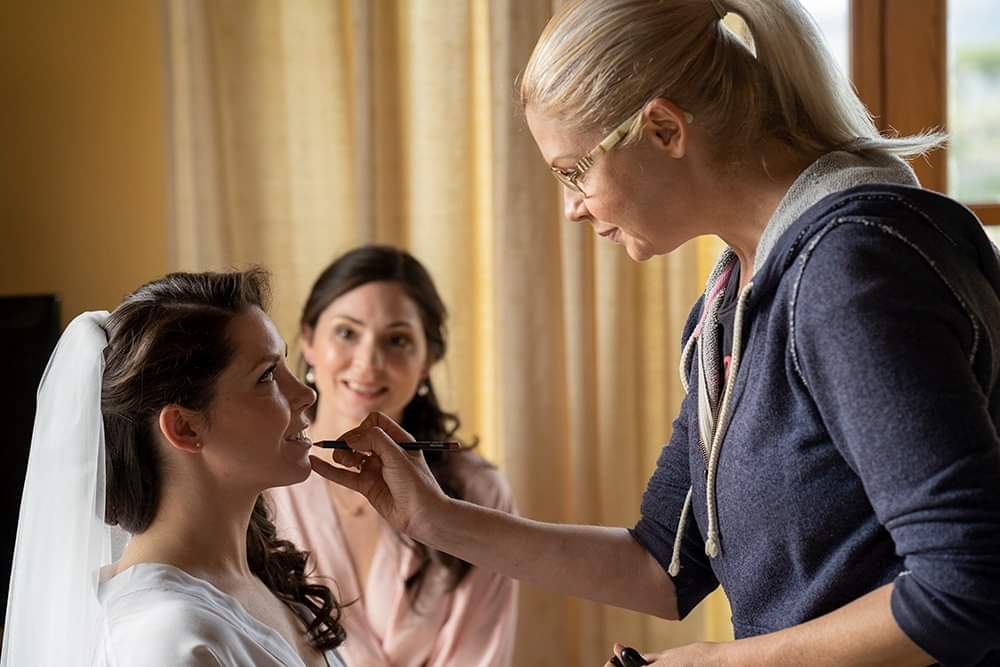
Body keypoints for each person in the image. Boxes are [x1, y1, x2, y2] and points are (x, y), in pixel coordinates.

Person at [307, 1, 1000, 666]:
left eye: (573, 171)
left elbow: (966, 585)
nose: (573, 208)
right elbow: (662, 563)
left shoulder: (847, 273)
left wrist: (720, 663)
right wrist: (437, 520)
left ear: (664, 129)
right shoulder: (728, 307)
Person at [1, 269, 348, 667]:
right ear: (184, 427)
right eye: (267, 375)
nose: (306, 393)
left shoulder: (266, 581)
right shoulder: (160, 640)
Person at [267, 245, 518, 667]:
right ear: (308, 342)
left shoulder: (477, 490)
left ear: (427, 361)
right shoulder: (264, 479)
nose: (369, 362)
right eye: (346, 332)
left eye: (397, 340)